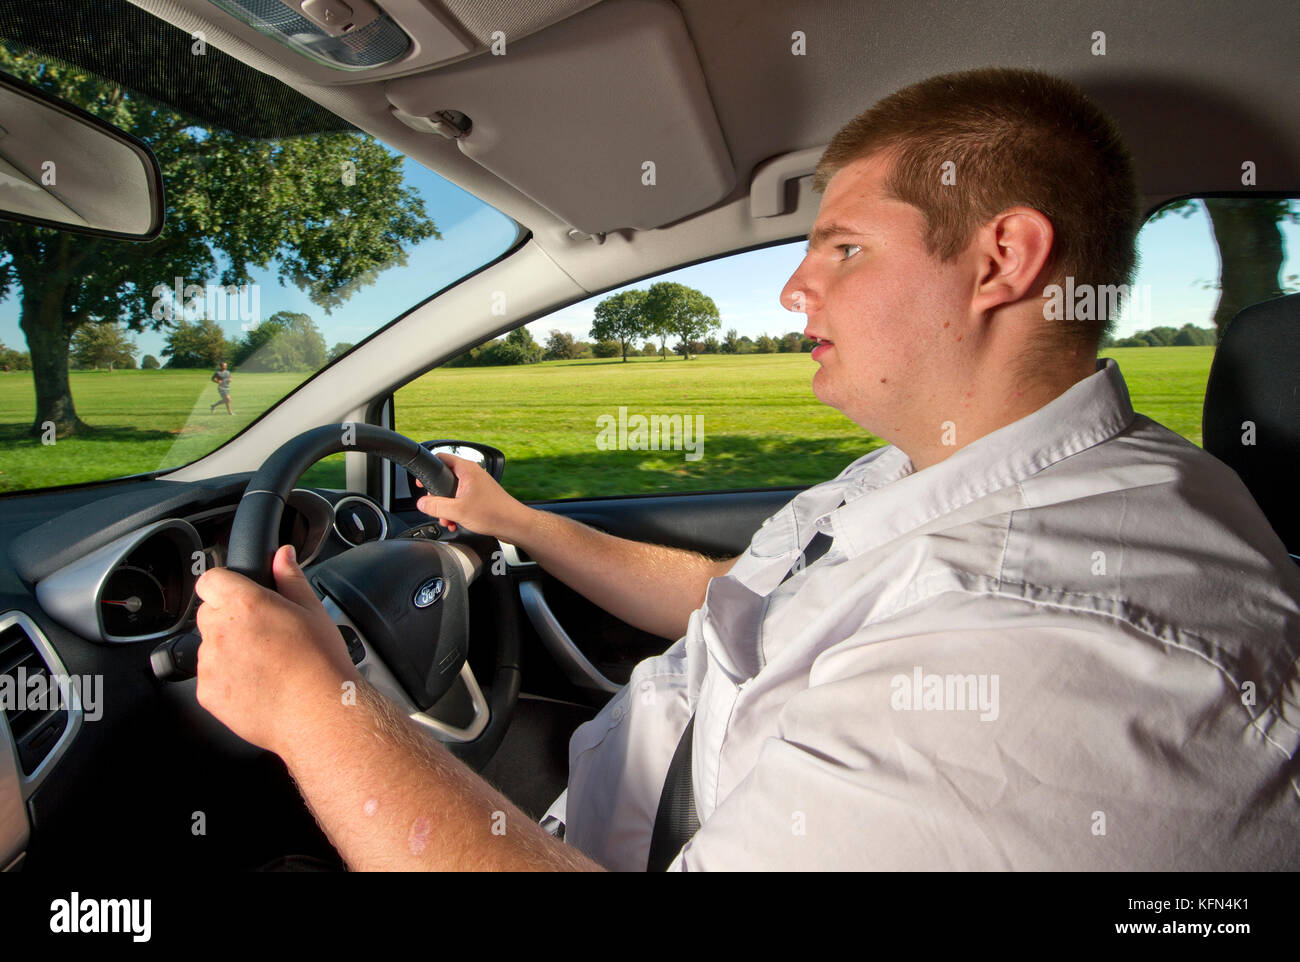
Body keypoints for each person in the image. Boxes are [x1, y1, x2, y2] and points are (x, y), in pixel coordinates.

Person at [192, 67, 1300, 870]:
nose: (794, 289)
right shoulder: (920, 475)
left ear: (1000, 260)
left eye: (845, 247)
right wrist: (516, 519)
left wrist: (314, 702)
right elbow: (741, 604)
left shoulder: (1061, 657)